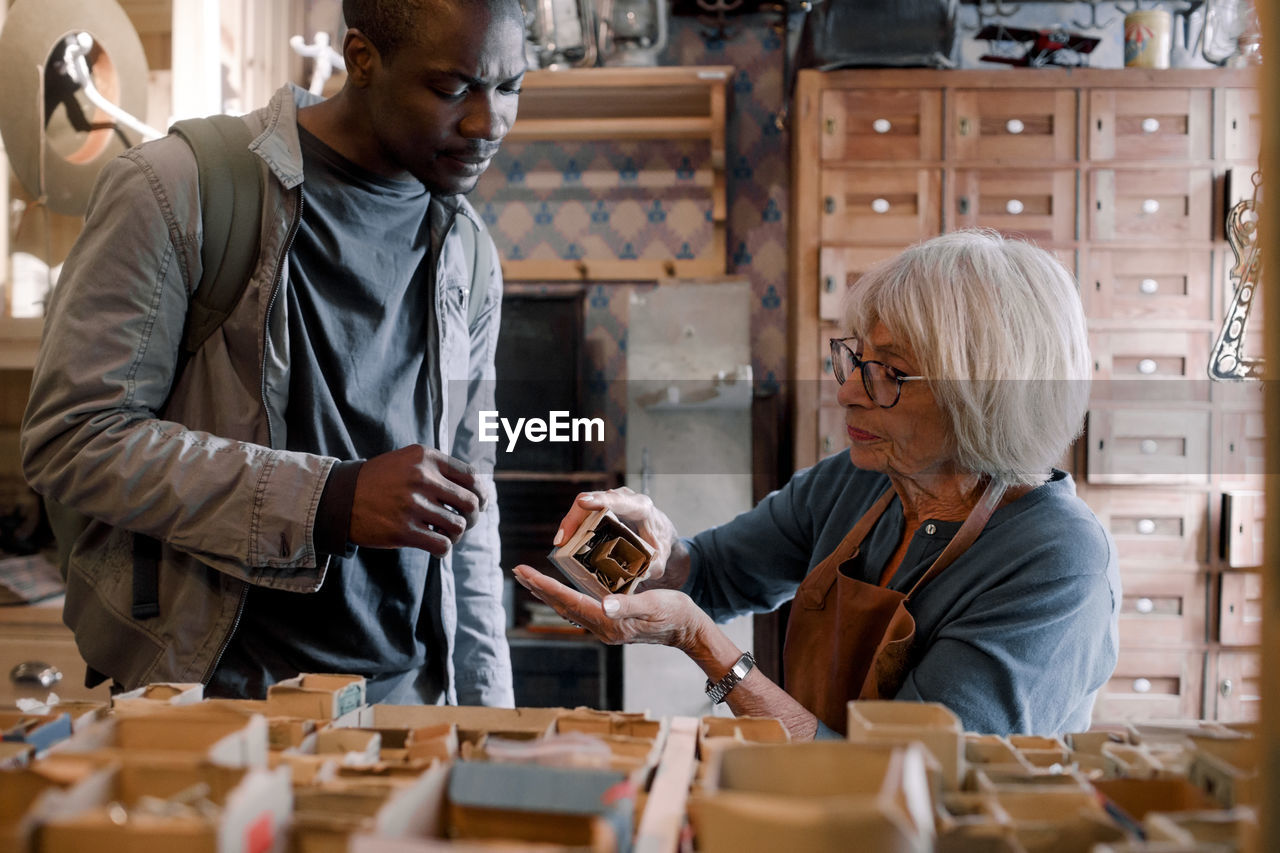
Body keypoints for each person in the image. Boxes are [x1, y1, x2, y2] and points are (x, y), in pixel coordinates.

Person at [20, 0, 528, 706]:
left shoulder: (470, 254)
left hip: (411, 710)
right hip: (217, 701)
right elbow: (72, 439)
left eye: (510, 88)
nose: (488, 123)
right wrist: (328, 501)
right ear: (360, 60)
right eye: (452, 90)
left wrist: (488, 720)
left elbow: (471, 497)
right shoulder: (176, 187)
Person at [514, 229, 1121, 738]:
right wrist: (654, 551)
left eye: (890, 372)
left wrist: (701, 641)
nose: (848, 389)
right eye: (856, 358)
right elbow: (713, 576)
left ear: (984, 394)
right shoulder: (861, 481)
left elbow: (905, 778)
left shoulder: (1057, 558)